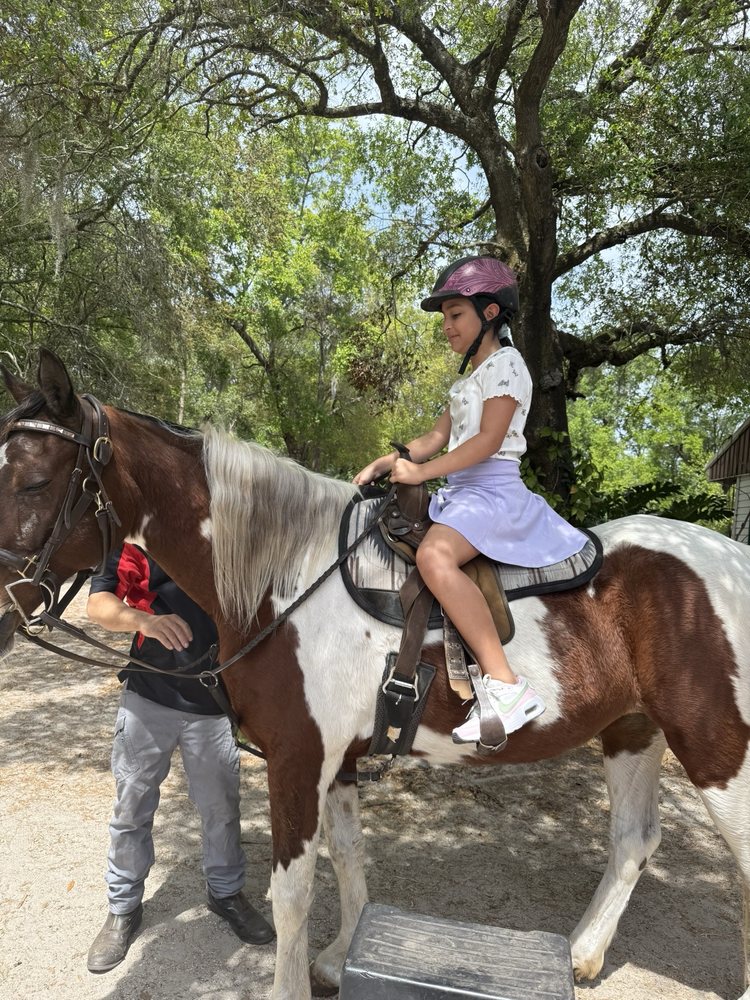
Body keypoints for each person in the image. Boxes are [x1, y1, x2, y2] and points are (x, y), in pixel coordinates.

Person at [354, 255, 588, 745]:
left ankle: (507, 686)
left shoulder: (508, 366)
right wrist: (386, 461)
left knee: (434, 557)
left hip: (493, 492)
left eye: (455, 314)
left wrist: (421, 473)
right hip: (462, 493)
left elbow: (487, 441)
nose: (447, 326)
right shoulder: (466, 382)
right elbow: (435, 437)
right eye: (444, 316)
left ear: (489, 313)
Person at [86, 543, 274, 974]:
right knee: (131, 808)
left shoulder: (223, 533)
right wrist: (143, 621)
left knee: (221, 808)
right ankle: (123, 907)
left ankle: (225, 893)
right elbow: (98, 603)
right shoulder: (130, 538)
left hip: (214, 702)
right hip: (147, 696)